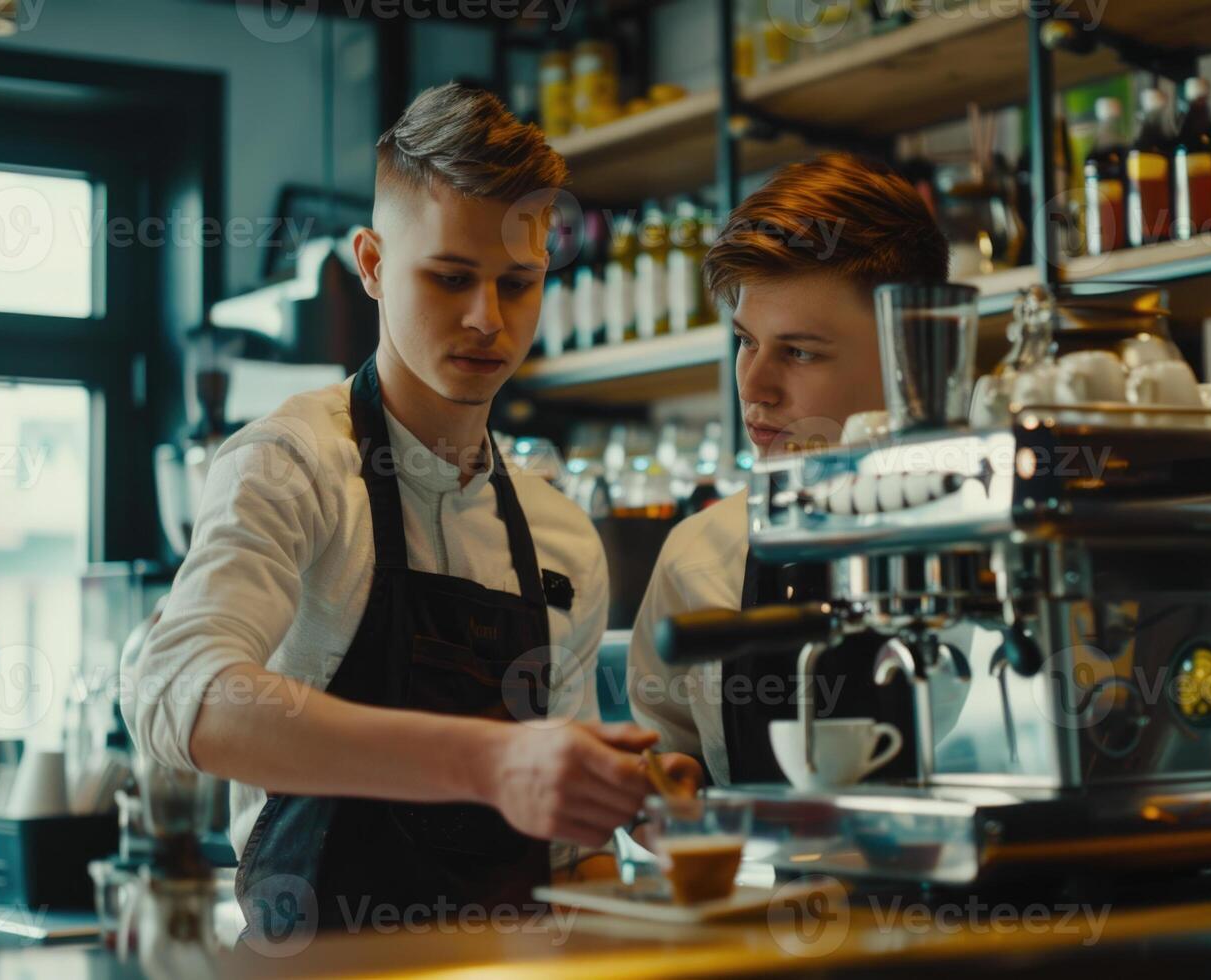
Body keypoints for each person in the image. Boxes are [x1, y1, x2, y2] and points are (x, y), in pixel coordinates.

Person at [123, 83, 667, 933]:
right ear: (372, 264)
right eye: (450, 277)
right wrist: (489, 763)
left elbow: (569, 854)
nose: (488, 319)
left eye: (518, 284)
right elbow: (178, 692)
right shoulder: (293, 464)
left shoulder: (562, 539)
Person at [626, 153, 950, 788]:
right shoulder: (702, 554)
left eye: (799, 352)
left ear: (909, 352)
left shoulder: (997, 547)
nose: (755, 386)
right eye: (746, 341)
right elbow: (665, 753)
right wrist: (662, 791)